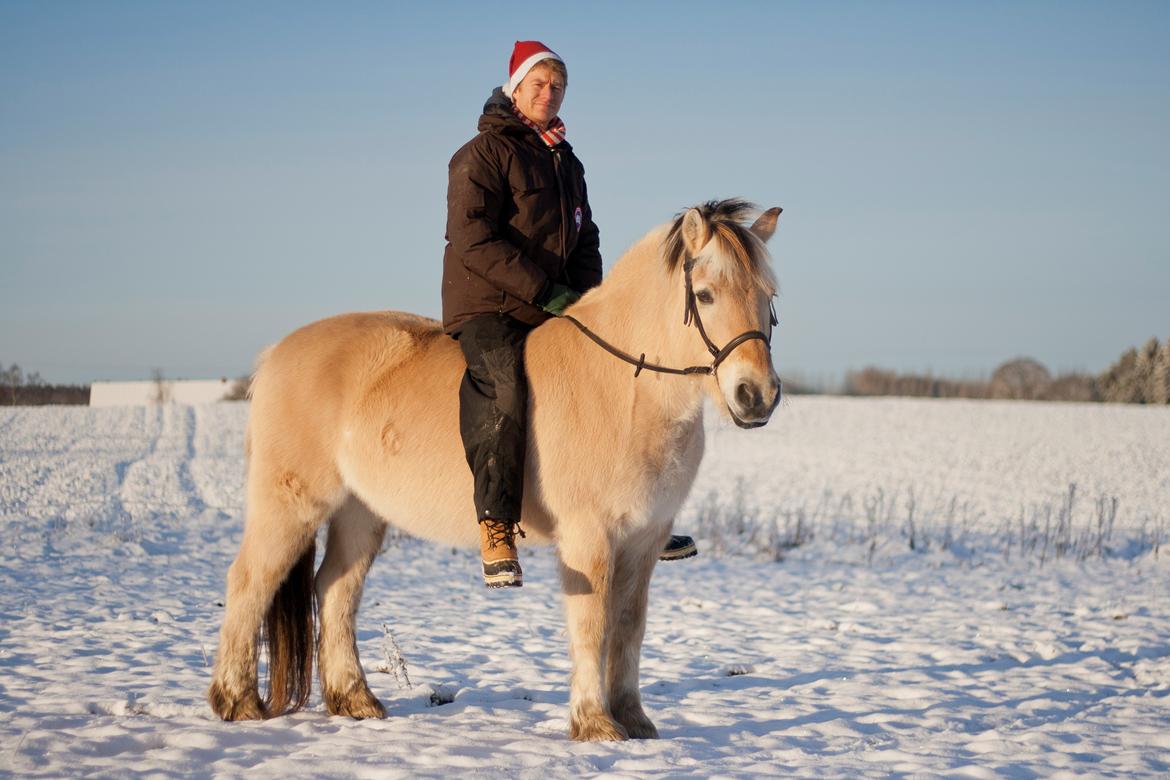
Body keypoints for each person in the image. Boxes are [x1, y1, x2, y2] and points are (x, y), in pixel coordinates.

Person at [442, 41, 696, 589]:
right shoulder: (481, 153)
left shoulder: (564, 158)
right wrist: (545, 291)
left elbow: (585, 235)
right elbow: (472, 240)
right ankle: (496, 525)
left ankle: (638, 514)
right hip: (492, 303)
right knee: (502, 384)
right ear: (515, 89)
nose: (548, 93)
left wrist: (589, 301)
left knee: (620, 373)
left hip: (551, 302)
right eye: (537, 83)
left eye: (557, 85)